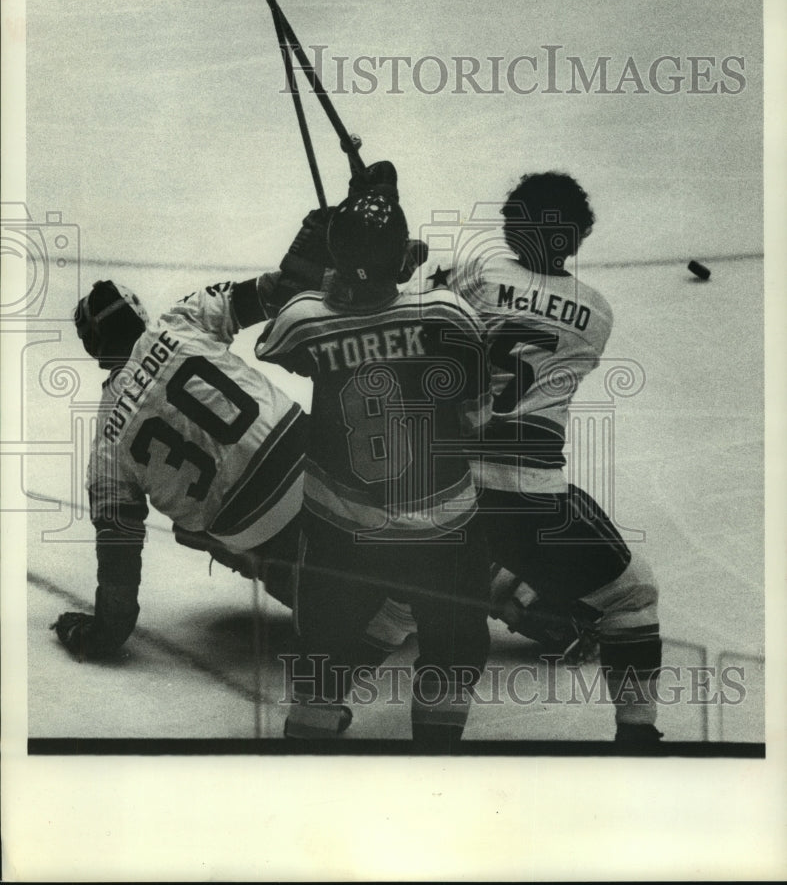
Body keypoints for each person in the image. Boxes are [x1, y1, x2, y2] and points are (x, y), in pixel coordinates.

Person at [52, 209, 425, 662]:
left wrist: (104, 632)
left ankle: (351, 604)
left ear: (96, 352)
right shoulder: (179, 321)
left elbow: (119, 552)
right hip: (312, 459)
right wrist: (331, 241)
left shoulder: (106, 440)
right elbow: (281, 293)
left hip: (255, 524)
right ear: (138, 312)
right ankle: (478, 570)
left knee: (191, 529)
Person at [255, 164, 493, 747]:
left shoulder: (305, 322)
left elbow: (285, 328)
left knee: (320, 665)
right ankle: (435, 767)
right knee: (451, 654)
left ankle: (305, 759)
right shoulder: (446, 314)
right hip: (442, 530)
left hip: (345, 532)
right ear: (405, 257)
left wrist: (326, 241)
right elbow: (478, 410)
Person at [445, 171, 664, 749]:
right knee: (631, 595)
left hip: (442, 482)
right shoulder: (596, 312)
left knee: (418, 601)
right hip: (527, 490)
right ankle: (638, 737)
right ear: (576, 236)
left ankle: (322, 710)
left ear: (513, 227)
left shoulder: (475, 276)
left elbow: (411, 330)